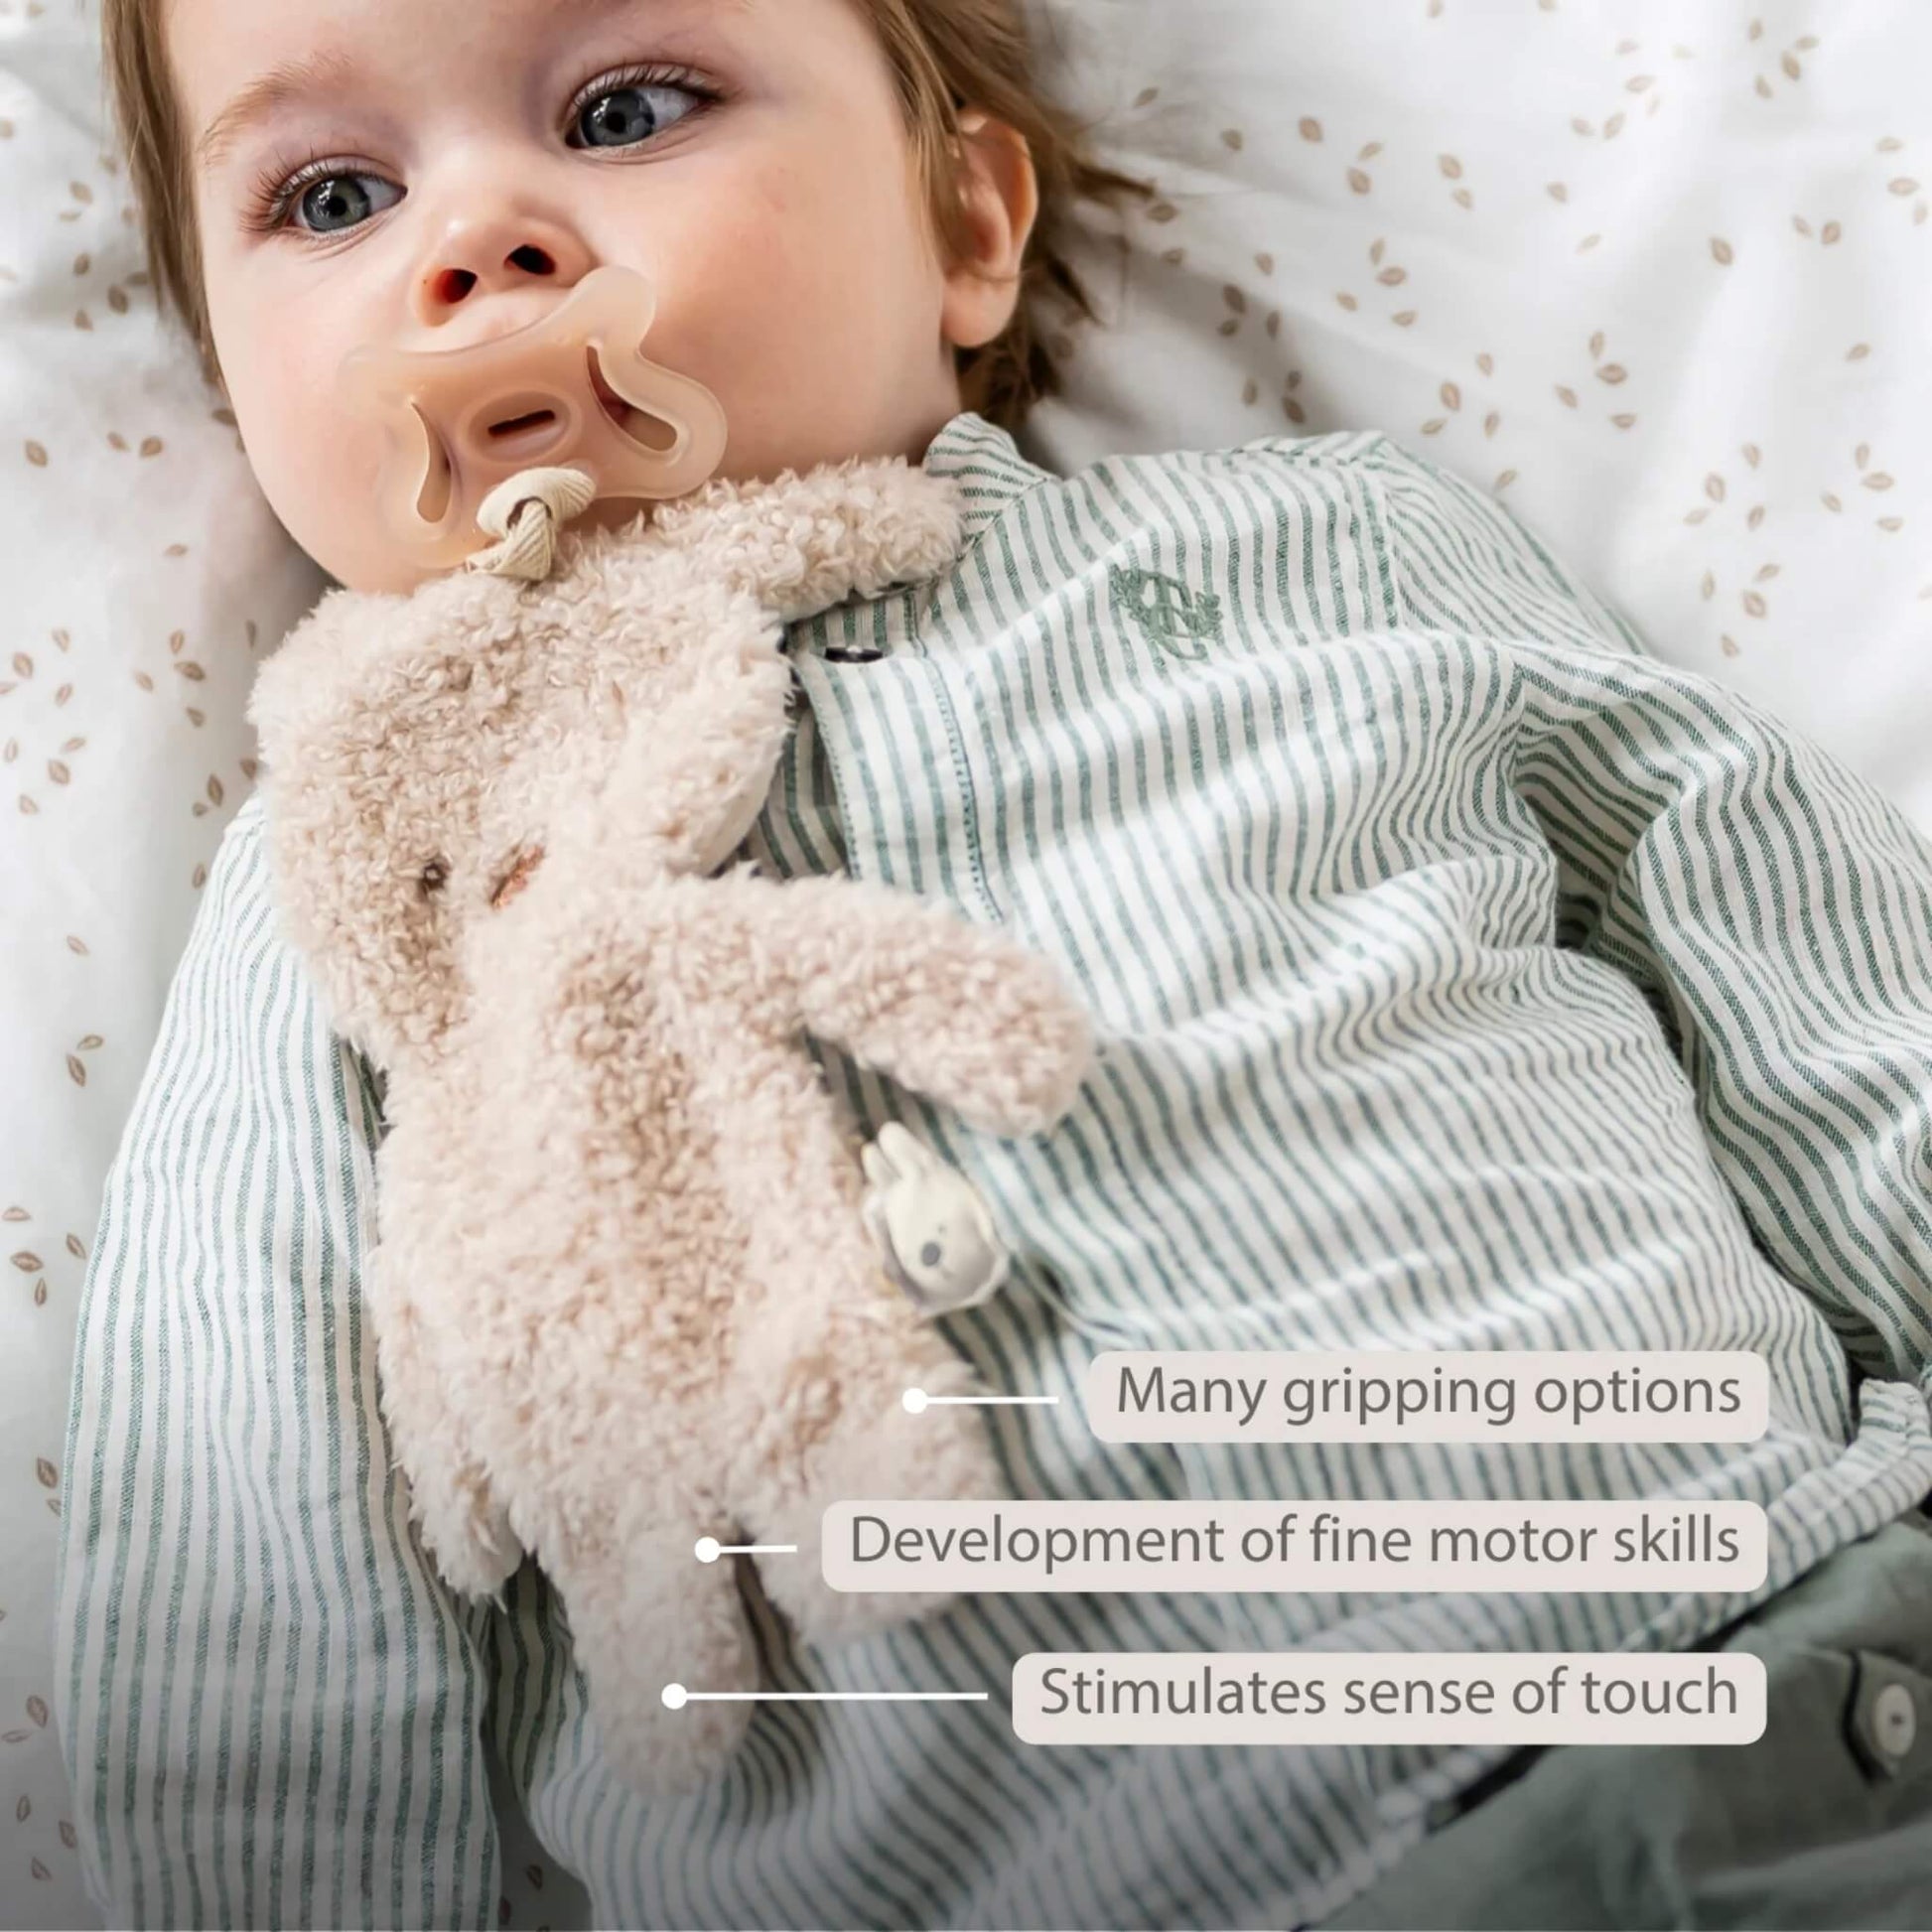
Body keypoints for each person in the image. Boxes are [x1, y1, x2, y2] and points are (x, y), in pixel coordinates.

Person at [55, 0, 1932, 1925]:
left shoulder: (1330, 550)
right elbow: (250, 1559)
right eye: (332, 197)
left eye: (625, 109)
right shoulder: (360, 873)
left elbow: (1803, 964)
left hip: (1782, 1698)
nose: (475, 242)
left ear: (962, 229)